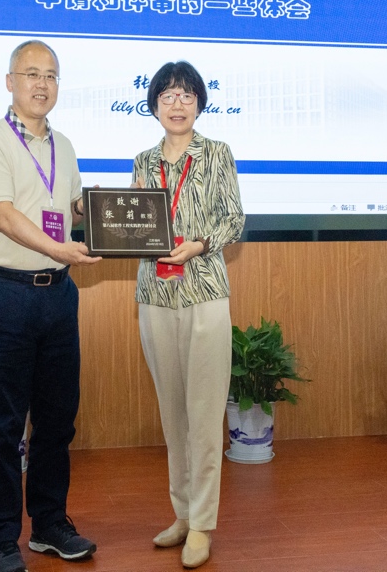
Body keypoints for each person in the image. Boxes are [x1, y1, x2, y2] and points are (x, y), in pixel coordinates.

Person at [0, 39, 101, 572]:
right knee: (4, 425)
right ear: (10, 82)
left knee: (57, 420)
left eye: (50, 75)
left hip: (59, 297)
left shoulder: (63, 145)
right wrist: (58, 248)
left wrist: (123, 205)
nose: (41, 84)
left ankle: (48, 525)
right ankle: (1, 537)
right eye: (31, 74)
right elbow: (2, 215)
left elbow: (69, 207)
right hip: (6, 295)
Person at [131, 60, 245, 569]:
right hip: (155, 294)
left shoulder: (217, 153)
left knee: (203, 413)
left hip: (204, 293)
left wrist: (198, 244)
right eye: (167, 96)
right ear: (154, 104)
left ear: (199, 102)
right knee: (172, 414)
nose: (177, 104)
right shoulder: (142, 161)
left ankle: (202, 524)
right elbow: (134, 225)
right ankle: (181, 513)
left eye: (186, 95)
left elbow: (234, 219)